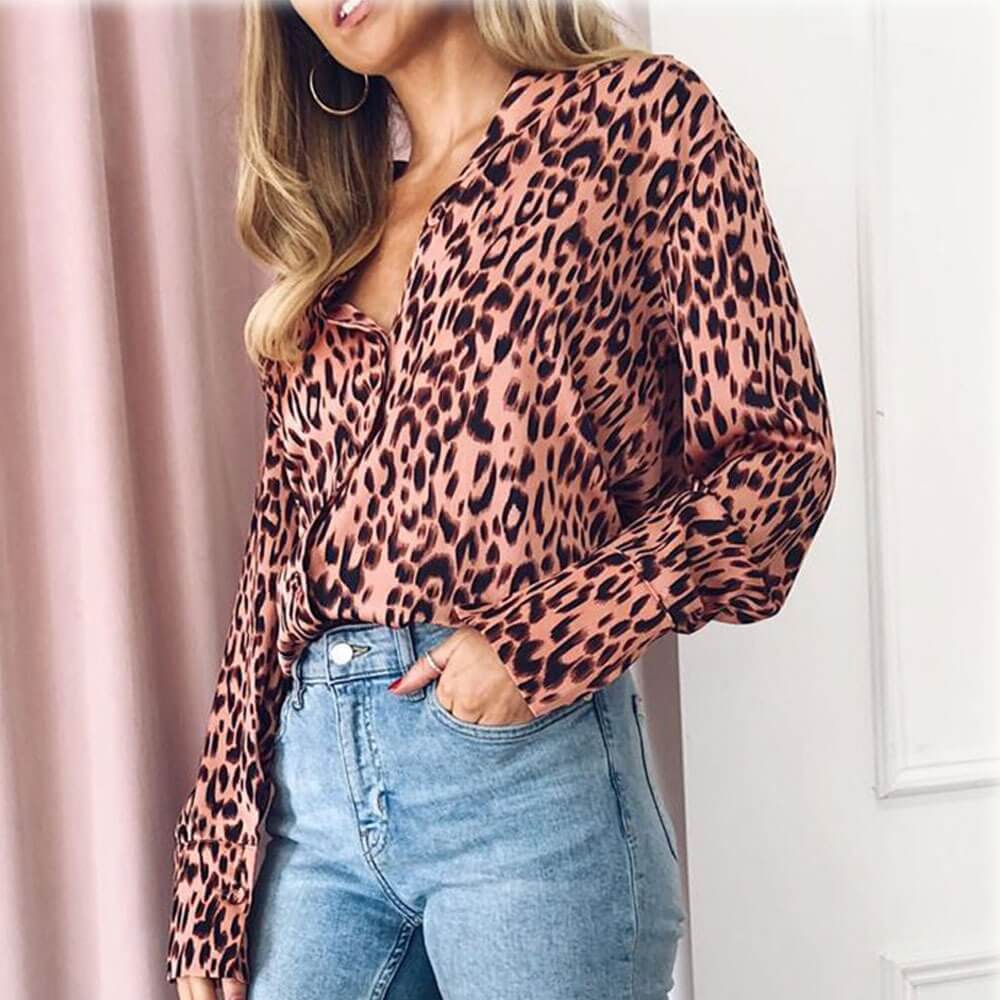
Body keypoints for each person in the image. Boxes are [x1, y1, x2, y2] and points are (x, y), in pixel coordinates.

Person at [166, 0, 838, 997]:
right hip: (316, 799)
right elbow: (274, 557)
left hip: (522, 787)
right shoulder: (344, 220)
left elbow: (781, 457)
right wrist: (213, 865)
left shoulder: (642, 120)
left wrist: (541, 644)